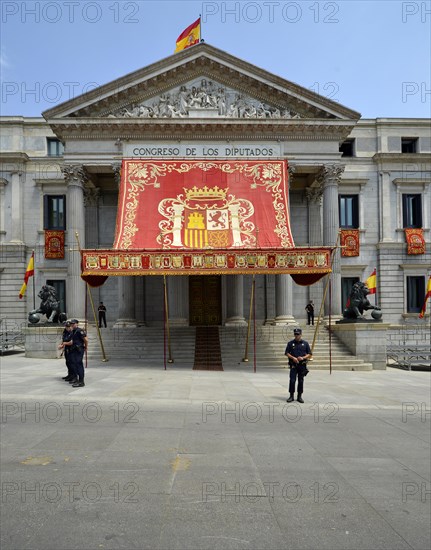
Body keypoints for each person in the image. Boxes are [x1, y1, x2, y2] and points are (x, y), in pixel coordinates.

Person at [285, 328, 311, 403]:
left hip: (302, 365)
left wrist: (302, 357)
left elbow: (309, 354)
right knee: (292, 380)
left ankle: (299, 396)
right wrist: (293, 358)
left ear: (301, 334)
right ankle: (291, 396)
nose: (296, 336)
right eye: (295, 334)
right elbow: (287, 353)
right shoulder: (290, 343)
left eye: (298, 334)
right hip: (293, 365)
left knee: (301, 380)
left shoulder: (305, 343)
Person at [64, 319, 88, 388]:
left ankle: (81, 381)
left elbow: (86, 340)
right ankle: (77, 379)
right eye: (71, 324)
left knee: (78, 364)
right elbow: (72, 341)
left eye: (73, 323)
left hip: (79, 350)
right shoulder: (73, 331)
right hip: (74, 350)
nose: (72, 325)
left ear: (77, 324)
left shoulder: (79, 331)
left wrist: (86, 347)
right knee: (74, 364)